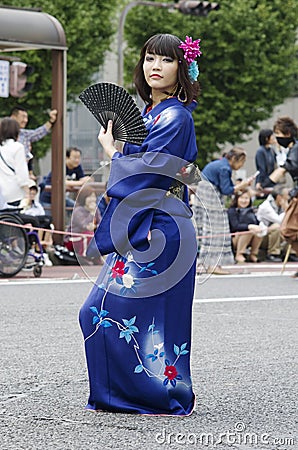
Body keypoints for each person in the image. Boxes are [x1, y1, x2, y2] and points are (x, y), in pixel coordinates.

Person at [79, 33, 201, 415]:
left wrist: (114, 152)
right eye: (149, 58)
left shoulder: (175, 116)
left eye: (165, 60)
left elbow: (151, 170)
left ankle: (162, 393)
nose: (155, 66)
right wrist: (120, 150)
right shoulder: (151, 114)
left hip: (162, 227)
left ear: (181, 68)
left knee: (128, 313)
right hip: (147, 222)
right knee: (99, 311)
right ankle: (121, 394)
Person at [194, 147, 254, 275]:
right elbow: (227, 190)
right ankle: (213, 265)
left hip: (204, 193)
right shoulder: (224, 168)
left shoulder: (219, 163)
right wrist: (243, 185)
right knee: (217, 230)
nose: (242, 165)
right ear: (234, 159)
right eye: (241, 162)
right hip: (211, 196)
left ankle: (207, 264)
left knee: (207, 230)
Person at [40, 147, 91, 215]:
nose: (77, 160)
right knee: (48, 219)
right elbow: (61, 182)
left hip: (62, 198)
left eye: (79, 158)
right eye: (75, 158)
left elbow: (83, 179)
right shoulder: (60, 166)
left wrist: (83, 181)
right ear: (67, 157)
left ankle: (73, 225)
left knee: (77, 209)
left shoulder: (78, 167)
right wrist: (80, 182)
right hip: (48, 198)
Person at [10, 105, 57, 179]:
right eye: (23, 117)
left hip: (22, 174)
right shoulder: (4, 135)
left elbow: (38, 132)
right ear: (13, 117)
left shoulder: (24, 134)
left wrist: (51, 121)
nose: (25, 120)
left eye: (26, 117)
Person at [256, 185, 298, 262]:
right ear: (279, 197)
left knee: (291, 230)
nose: (289, 197)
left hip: (276, 236)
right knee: (277, 227)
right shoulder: (266, 206)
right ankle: (273, 253)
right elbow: (280, 220)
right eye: (287, 195)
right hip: (262, 236)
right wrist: (287, 210)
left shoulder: (281, 205)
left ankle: (291, 253)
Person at [64, 186, 103, 264]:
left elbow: (101, 224)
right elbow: (84, 225)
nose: (92, 199)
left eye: (93, 196)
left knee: (97, 235)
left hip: (89, 237)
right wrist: (91, 213)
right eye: (89, 197)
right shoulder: (78, 211)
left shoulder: (96, 209)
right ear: (83, 198)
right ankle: (85, 257)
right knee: (89, 235)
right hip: (74, 239)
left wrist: (95, 227)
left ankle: (96, 257)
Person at [228, 189, 263, 263]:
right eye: (241, 198)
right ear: (237, 199)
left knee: (258, 233)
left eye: (246, 198)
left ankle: (253, 254)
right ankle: (239, 254)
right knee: (248, 231)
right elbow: (235, 226)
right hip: (234, 238)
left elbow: (256, 223)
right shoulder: (232, 211)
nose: (244, 200)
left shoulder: (251, 211)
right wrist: (249, 226)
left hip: (249, 238)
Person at [0, 117, 30, 206]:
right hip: (15, 193)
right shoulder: (18, 147)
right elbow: (22, 173)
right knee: (14, 219)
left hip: (2, 194)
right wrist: (27, 192)